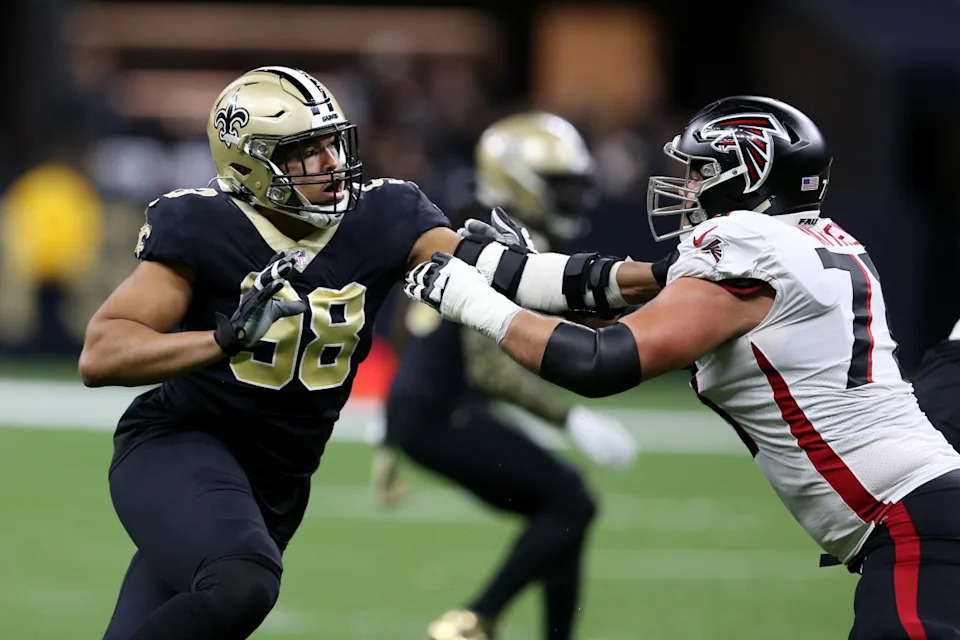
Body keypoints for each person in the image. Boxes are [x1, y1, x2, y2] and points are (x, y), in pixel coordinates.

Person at [406, 95, 960, 638]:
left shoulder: (749, 247)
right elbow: (619, 286)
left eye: (700, 171)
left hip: (913, 527)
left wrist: (475, 303)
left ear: (748, 175)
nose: (687, 185)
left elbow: (600, 362)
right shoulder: (809, 244)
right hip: (924, 515)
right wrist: (510, 270)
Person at [78, 66, 468, 640]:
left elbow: (488, 273)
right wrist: (222, 339)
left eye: (333, 142)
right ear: (251, 163)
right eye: (306, 150)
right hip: (180, 445)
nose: (332, 161)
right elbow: (101, 352)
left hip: (277, 481)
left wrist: (588, 286)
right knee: (242, 582)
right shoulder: (205, 224)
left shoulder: (386, 214)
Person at [374, 112, 637, 640]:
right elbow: (489, 368)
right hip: (443, 415)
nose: (575, 199)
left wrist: (391, 423)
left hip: (430, 410)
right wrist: (568, 418)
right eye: (561, 185)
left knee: (562, 508)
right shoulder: (501, 238)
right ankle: (474, 620)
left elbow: (409, 319)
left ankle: (510, 626)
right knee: (572, 502)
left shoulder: (462, 222)